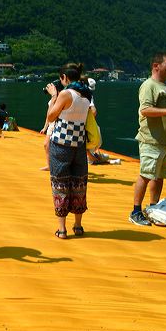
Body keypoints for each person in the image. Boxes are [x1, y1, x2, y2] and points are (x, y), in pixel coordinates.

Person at [131, 52, 166, 226]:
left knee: (159, 176)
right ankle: (136, 211)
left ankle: (153, 208)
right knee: (145, 175)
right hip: (151, 140)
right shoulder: (149, 85)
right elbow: (145, 110)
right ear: (156, 66)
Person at [46, 63, 92, 239]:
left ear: (64, 78)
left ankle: (62, 229)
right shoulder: (87, 93)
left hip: (61, 145)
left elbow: (51, 116)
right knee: (79, 183)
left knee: (60, 183)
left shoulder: (65, 94)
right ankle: (78, 226)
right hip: (79, 144)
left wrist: (54, 96)